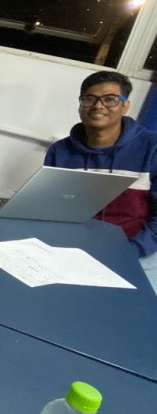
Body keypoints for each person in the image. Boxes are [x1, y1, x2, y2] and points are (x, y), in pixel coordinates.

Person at [45, 70, 157, 292]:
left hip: (137, 249)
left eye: (110, 99)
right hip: (76, 248)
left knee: (139, 309)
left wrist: (130, 251)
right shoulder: (60, 151)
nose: (98, 106)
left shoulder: (151, 148)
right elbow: (53, 208)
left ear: (125, 105)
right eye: (89, 98)